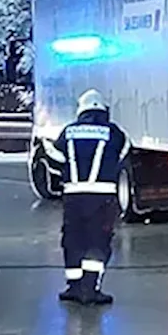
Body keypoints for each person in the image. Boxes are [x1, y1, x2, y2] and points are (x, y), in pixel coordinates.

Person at [54, 89, 131, 305]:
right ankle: (91, 288)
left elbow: (57, 156)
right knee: (98, 241)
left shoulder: (69, 131)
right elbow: (125, 151)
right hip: (103, 197)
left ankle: (74, 287)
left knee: (73, 239)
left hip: (73, 196)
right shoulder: (113, 132)